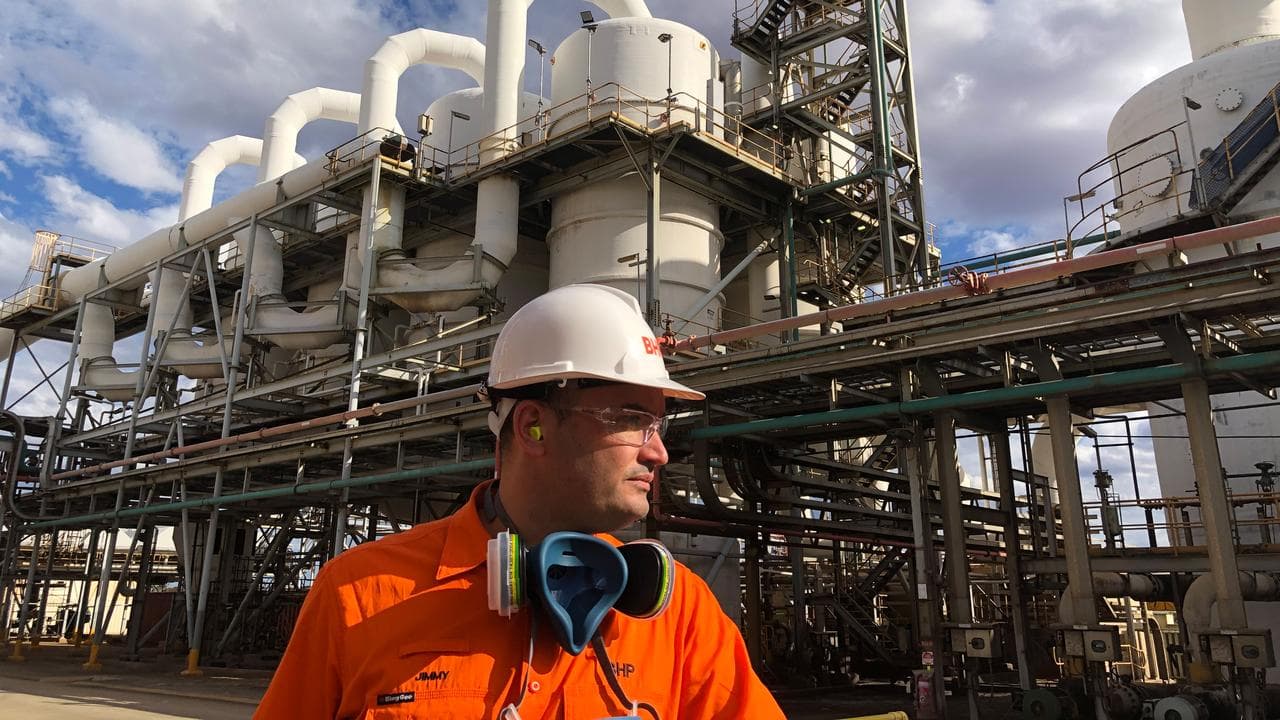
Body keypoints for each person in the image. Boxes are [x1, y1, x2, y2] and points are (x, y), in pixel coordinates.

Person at [255, 284, 784, 719]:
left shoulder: (681, 614)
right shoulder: (360, 595)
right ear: (532, 426)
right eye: (630, 420)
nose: (660, 452)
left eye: (660, 424)